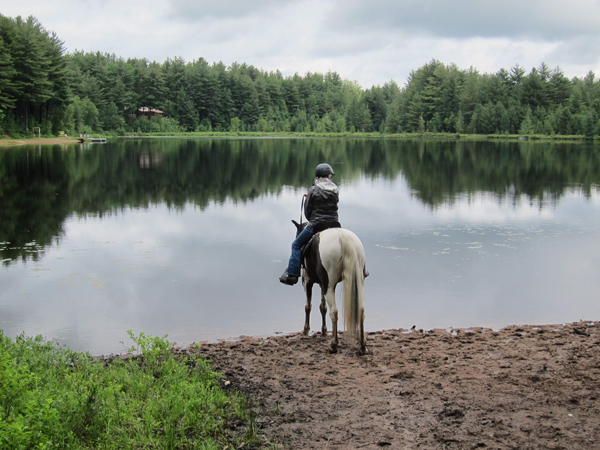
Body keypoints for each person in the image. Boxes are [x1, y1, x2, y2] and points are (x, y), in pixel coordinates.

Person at [280, 163, 340, 286]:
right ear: (329, 176)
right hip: (335, 224)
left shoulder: (313, 189)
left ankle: (292, 275)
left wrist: (309, 198)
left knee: (296, 245)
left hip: (317, 224)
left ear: (317, 176)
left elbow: (308, 214)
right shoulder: (335, 189)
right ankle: (362, 270)